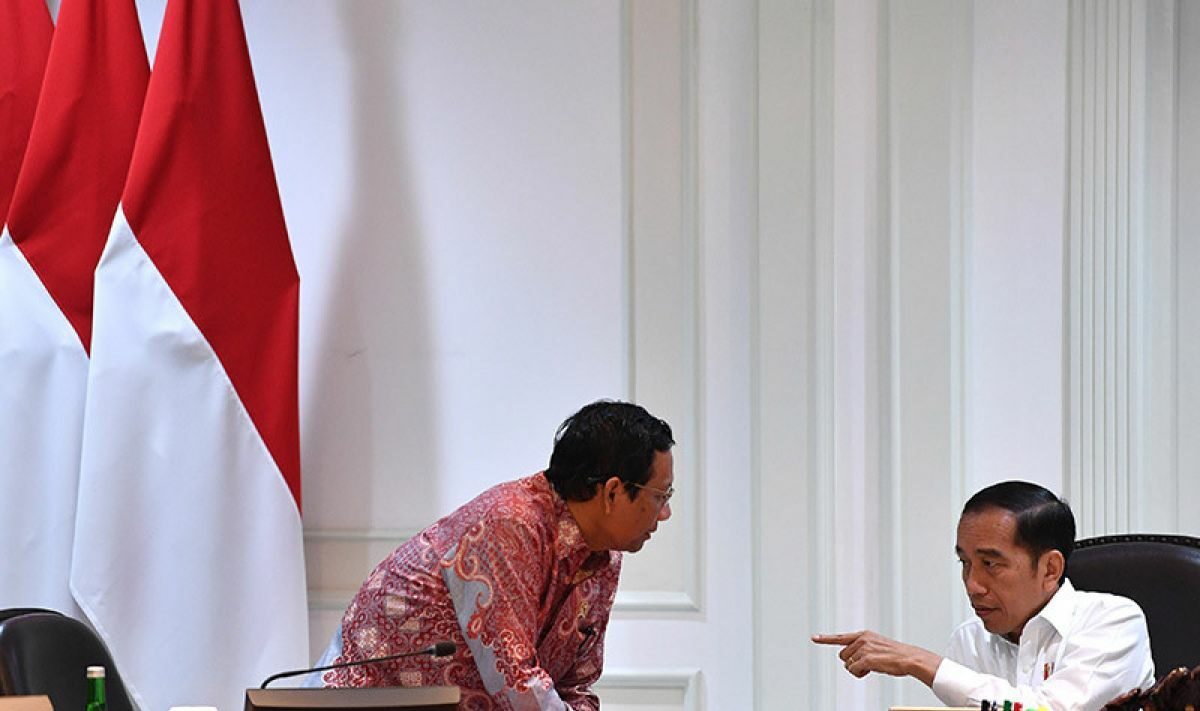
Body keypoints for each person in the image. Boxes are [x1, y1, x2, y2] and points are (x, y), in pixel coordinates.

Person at [324, 400, 675, 710]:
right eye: (660, 495)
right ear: (613, 492)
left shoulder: (604, 555)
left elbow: (576, 687)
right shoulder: (510, 524)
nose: (665, 513)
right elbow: (516, 684)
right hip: (361, 702)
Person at [813, 481, 1154, 711]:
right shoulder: (970, 641)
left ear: (1050, 569)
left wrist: (923, 663)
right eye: (965, 563)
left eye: (991, 564)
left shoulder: (1113, 622)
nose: (972, 584)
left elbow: (1046, 710)